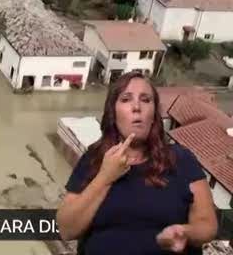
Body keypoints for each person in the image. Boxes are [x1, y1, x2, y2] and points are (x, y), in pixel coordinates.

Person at [56, 71, 217, 254]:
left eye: (146, 100)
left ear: (154, 114)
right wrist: (105, 177)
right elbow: (66, 229)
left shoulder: (181, 159)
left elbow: (207, 224)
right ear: (113, 113)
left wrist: (185, 232)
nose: (136, 107)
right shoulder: (94, 158)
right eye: (126, 99)